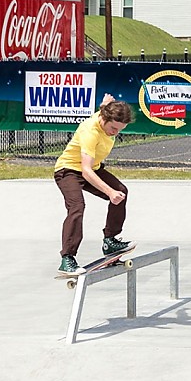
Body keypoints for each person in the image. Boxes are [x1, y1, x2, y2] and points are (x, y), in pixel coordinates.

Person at [52, 94, 135, 276]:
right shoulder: (91, 131)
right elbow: (86, 170)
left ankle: (110, 240)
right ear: (104, 119)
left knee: (122, 192)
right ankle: (67, 258)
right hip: (68, 170)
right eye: (113, 128)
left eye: (120, 130)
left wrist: (105, 104)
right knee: (77, 207)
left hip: (92, 168)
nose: (115, 133)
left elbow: (103, 109)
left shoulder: (105, 115)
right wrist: (109, 192)